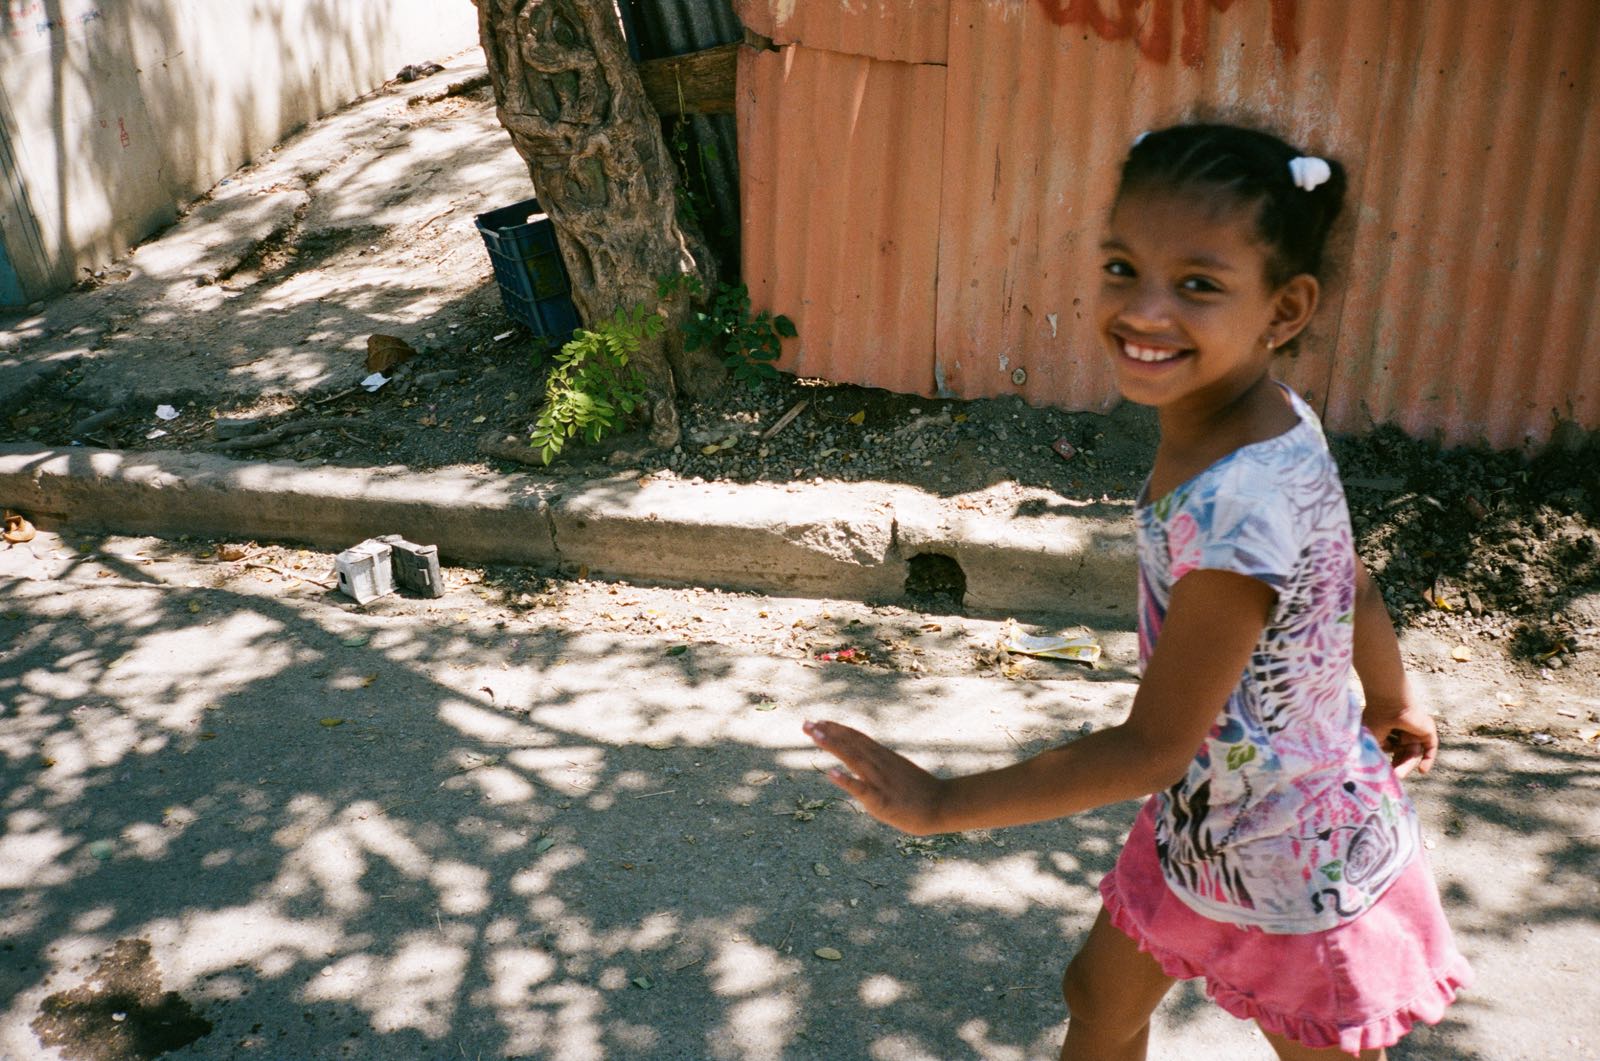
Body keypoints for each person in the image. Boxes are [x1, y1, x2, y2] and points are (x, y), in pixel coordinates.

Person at [802, 122, 1472, 1060]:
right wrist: (1394, 695)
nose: (1145, 308)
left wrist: (942, 802)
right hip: (1209, 813)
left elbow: (1154, 747)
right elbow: (1347, 579)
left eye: (1198, 284)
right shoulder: (1278, 418)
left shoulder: (1237, 511)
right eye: (1123, 268)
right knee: (1098, 995)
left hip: (1290, 857)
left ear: (1285, 309)